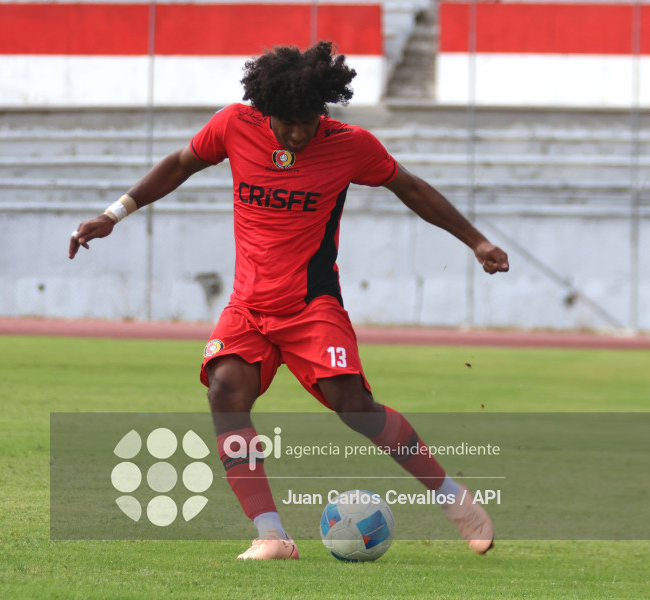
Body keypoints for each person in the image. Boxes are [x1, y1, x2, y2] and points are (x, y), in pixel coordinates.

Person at [69, 41, 509, 560]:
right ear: (265, 109)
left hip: (310, 305)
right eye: (289, 122)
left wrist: (476, 241)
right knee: (225, 393)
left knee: (355, 408)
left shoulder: (350, 144)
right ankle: (272, 534)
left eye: (310, 120)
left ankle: (454, 499)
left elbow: (409, 188)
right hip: (248, 307)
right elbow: (180, 163)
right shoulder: (234, 125)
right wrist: (114, 214)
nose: (300, 133)